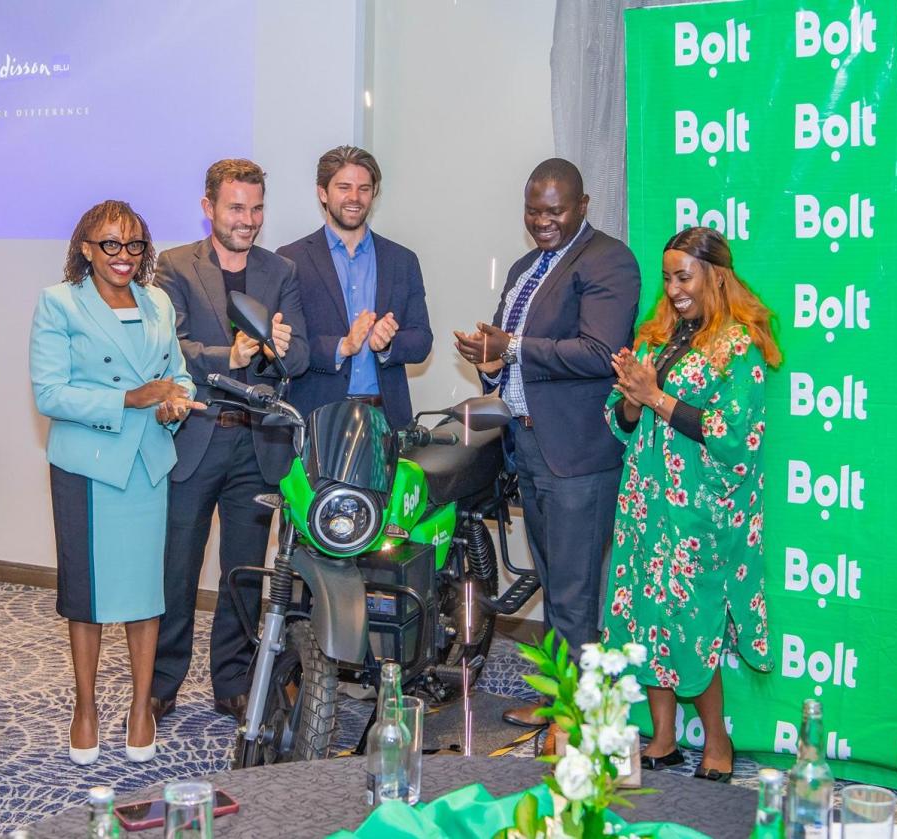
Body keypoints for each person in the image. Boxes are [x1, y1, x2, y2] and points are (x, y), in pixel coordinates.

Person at [455, 158, 641, 733]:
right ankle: (561, 699)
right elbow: (509, 348)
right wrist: (488, 357)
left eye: (555, 211)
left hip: (578, 454)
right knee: (554, 580)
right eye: (533, 210)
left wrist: (513, 347)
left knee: (575, 589)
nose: (542, 221)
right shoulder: (524, 267)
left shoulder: (609, 260)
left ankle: (579, 720)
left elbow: (598, 350)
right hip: (528, 446)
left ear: (583, 206)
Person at [603, 226, 780, 783]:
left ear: (715, 276)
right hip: (644, 504)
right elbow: (619, 421)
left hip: (699, 510)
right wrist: (632, 401)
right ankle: (661, 738)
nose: (675, 289)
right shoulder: (657, 335)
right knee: (647, 614)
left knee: (690, 620)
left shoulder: (739, 345)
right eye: (668, 278)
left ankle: (718, 742)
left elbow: (732, 435)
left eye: (685, 276)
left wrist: (655, 396)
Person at [30, 200, 202, 765]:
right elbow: (49, 394)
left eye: (133, 246)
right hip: (89, 465)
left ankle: (138, 706)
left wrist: (175, 400)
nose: (123, 257)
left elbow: (177, 372)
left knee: (145, 595)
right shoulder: (59, 304)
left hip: (148, 461)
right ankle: (85, 707)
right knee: (88, 594)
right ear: (86, 248)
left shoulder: (157, 301)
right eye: (110, 245)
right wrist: (128, 398)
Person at [151, 159, 309, 724]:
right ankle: (160, 682)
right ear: (209, 207)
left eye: (256, 208)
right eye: (236, 208)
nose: (248, 220)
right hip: (195, 437)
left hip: (256, 445)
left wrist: (281, 348)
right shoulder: (174, 266)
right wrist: (232, 357)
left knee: (244, 574)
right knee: (176, 569)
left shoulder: (281, 270)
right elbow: (168, 346)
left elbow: (304, 356)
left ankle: (234, 681)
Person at [276, 145, 432, 427]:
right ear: (323, 193)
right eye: (344, 187)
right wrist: (342, 346)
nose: (354, 198)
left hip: (386, 419)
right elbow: (287, 348)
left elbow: (422, 340)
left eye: (364, 188)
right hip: (317, 419)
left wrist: (387, 345)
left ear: (374, 194)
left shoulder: (402, 260)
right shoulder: (291, 259)